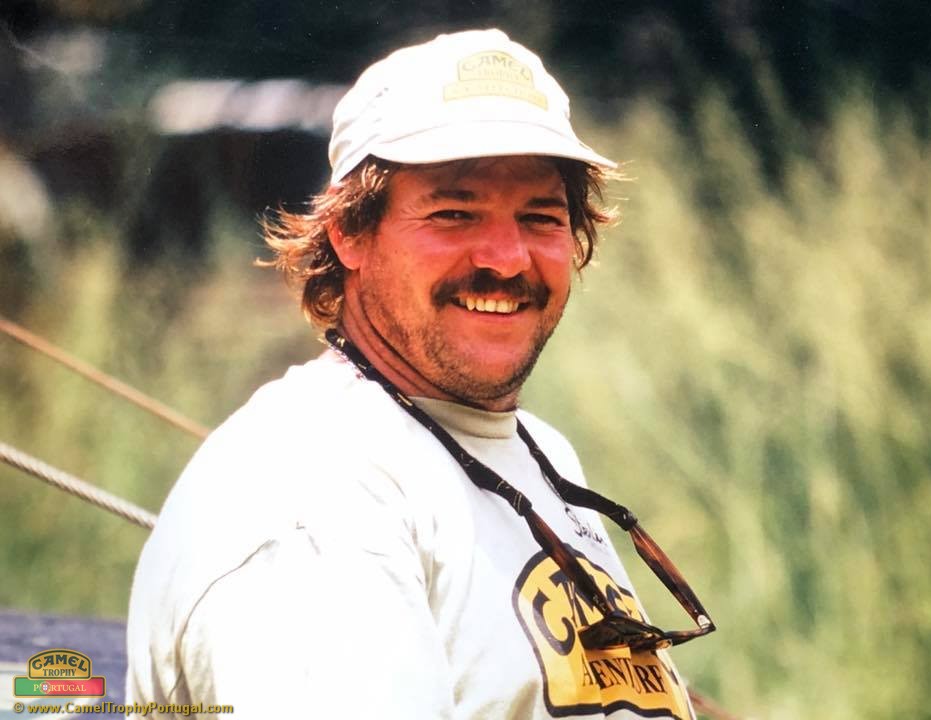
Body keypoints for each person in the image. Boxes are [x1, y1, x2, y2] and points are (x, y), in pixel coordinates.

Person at [126, 28, 714, 720]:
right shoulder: (311, 496)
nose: (506, 258)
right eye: (455, 213)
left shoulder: (541, 452)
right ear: (349, 232)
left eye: (541, 216)